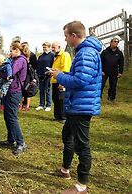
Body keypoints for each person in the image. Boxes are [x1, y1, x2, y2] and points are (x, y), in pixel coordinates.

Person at [51, 21, 102, 194]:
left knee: (81, 144)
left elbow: (81, 81)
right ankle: (65, 170)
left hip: (82, 106)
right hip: (76, 104)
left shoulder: (86, 53)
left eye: (66, 35)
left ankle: (81, 186)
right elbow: (78, 76)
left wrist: (60, 77)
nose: (65, 39)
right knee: (68, 136)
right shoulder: (83, 52)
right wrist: (62, 75)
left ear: (74, 36)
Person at [0, 41, 30, 156]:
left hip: (15, 91)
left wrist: (1, 68)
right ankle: (11, 139)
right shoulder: (15, 60)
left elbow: (9, 73)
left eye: (11, 50)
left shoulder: (20, 60)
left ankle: (21, 143)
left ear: (17, 50)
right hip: (10, 90)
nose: (9, 53)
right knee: (7, 115)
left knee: (12, 117)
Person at [51, 41, 71, 122]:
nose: (52, 49)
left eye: (54, 47)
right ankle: (57, 116)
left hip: (60, 80)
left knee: (61, 99)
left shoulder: (64, 55)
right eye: (52, 47)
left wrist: (62, 82)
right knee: (55, 98)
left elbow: (65, 69)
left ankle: (63, 117)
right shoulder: (56, 56)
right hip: (55, 80)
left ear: (59, 47)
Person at [100, 37, 124, 102]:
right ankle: (98, 97)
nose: (116, 43)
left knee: (113, 85)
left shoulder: (119, 53)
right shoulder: (105, 52)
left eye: (117, 42)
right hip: (104, 72)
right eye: (115, 41)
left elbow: (121, 63)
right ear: (111, 42)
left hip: (114, 72)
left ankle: (111, 98)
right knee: (101, 84)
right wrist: (101, 70)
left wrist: (120, 72)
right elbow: (100, 62)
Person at [35, 42, 54, 111]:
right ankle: (41, 104)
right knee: (41, 90)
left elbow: (53, 65)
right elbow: (38, 65)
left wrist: (51, 73)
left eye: (45, 47)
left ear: (49, 47)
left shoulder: (52, 55)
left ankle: (48, 105)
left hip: (48, 75)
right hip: (40, 75)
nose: (44, 48)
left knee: (47, 90)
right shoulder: (41, 56)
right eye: (43, 47)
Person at [19, 42, 37, 111]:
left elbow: (35, 65)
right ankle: (21, 104)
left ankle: (26, 105)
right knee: (22, 89)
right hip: (23, 74)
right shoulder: (21, 55)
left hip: (29, 75)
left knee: (27, 89)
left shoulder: (32, 55)